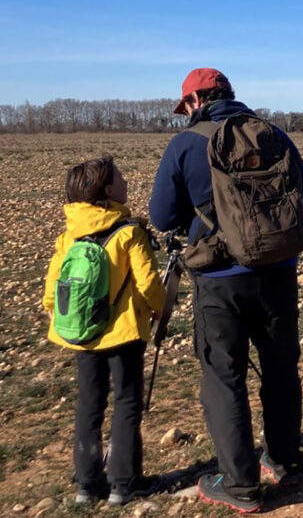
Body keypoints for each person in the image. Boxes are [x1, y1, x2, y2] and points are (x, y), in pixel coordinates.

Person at [150, 68, 303, 513]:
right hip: (278, 271)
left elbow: (163, 217)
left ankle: (240, 484)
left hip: (219, 281)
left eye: (183, 104)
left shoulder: (185, 143)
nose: (182, 112)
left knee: (224, 379)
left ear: (195, 100)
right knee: (281, 369)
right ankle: (284, 460)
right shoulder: (272, 133)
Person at [42, 156, 165, 506]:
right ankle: (124, 484)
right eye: (121, 178)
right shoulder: (129, 232)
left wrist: (66, 320)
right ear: (108, 190)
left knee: (88, 405)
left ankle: (86, 482)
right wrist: (157, 310)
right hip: (124, 335)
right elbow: (149, 286)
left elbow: (52, 293)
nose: (127, 182)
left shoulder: (69, 237)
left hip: (81, 335)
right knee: (127, 403)